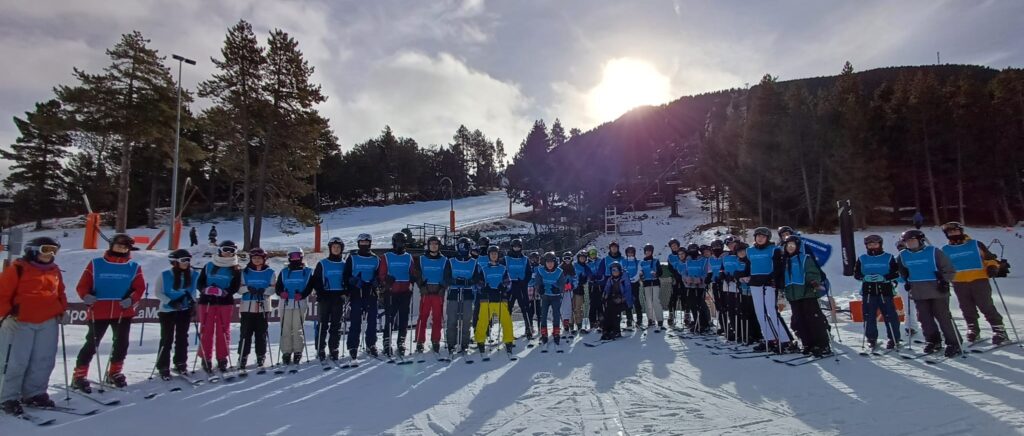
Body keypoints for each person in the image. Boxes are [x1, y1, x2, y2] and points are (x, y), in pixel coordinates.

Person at [0, 237, 66, 415]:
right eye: (46, 249)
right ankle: (7, 397)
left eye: (53, 250)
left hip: (47, 320)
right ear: (33, 250)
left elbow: (60, 292)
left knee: (43, 359)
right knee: (16, 361)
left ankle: (34, 393)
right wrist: (6, 315)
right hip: (20, 321)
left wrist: (62, 309)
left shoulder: (54, 270)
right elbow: (2, 294)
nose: (50, 254)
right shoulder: (18, 269)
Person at [73, 233, 146, 392]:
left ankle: (114, 372)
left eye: (125, 247)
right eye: (119, 245)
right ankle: (79, 375)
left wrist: (131, 299)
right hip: (99, 310)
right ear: (111, 245)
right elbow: (83, 285)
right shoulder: (96, 264)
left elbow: (140, 287)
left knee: (121, 343)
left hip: (122, 310)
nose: (122, 248)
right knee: (92, 343)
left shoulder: (133, 266)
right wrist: (86, 295)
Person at [940, 222, 1009, 344]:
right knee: (966, 307)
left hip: (979, 279)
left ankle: (999, 330)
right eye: (950, 232)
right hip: (959, 282)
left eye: (955, 231)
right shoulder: (945, 249)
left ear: (961, 231)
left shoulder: (975, 244)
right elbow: (943, 266)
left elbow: (989, 258)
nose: (953, 233)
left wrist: (992, 266)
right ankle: (973, 329)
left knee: (985, 305)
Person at [897, 229, 960, 357]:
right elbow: (902, 270)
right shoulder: (903, 255)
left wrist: (944, 280)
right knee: (924, 318)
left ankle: (953, 343)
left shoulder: (934, 252)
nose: (910, 244)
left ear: (920, 240)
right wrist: (906, 280)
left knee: (943, 317)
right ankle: (933, 340)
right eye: (907, 241)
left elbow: (949, 269)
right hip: (918, 290)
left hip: (936, 289)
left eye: (913, 241)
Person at [780, 235, 832, 356]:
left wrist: (813, 281)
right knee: (800, 320)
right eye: (788, 245)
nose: (790, 247)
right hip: (793, 295)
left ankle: (822, 345)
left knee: (814, 320)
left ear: (797, 247)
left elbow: (812, 271)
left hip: (807, 293)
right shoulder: (784, 262)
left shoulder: (805, 258)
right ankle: (807, 343)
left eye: (793, 245)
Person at [747, 227, 795, 353]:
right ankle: (770, 339)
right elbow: (747, 266)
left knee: (771, 311)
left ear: (767, 238)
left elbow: (779, 267)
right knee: (759, 312)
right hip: (755, 283)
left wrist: (773, 279)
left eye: (763, 237)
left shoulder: (774, 249)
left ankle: (785, 340)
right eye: (758, 236)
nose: (760, 238)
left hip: (769, 284)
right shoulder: (750, 250)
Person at [197, 240, 241, 375]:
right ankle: (206, 357)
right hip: (207, 301)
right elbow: (200, 283)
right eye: (225, 249)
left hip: (224, 302)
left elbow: (235, 286)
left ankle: (222, 358)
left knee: (223, 330)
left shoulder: (235, 268)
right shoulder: (209, 265)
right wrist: (205, 289)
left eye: (231, 250)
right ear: (220, 250)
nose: (228, 252)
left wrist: (225, 292)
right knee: (206, 329)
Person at [153, 249, 199, 380]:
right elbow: (158, 292)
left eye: (188, 260)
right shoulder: (165, 275)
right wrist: (170, 302)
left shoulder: (193, 274)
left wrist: (192, 303)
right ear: (175, 261)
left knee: (182, 337)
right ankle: (163, 365)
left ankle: (180, 362)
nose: (186, 262)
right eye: (183, 260)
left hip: (184, 310)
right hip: (167, 310)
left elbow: (193, 291)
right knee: (166, 338)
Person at [379, 232, 419, 359]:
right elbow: (381, 274)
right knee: (390, 318)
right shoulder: (387, 256)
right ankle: (387, 342)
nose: (400, 244)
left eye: (402, 242)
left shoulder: (408, 257)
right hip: (391, 292)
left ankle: (401, 341)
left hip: (405, 292)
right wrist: (386, 279)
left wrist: (413, 278)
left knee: (403, 318)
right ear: (394, 242)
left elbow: (412, 271)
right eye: (398, 242)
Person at [307, 237, 346, 363]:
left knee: (336, 325)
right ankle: (320, 348)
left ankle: (334, 348)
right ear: (330, 248)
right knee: (322, 324)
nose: (336, 249)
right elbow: (316, 280)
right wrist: (321, 292)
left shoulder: (344, 264)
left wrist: (346, 291)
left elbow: (347, 280)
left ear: (341, 249)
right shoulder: (323, 263)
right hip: (325, 297)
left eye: (338, 247)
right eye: (334, 247)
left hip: (338, 297)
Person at [344, 233, 382, 361]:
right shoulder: (352, 258)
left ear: (370, 243)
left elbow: (380, 274)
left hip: (370, 292)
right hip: (357, 292)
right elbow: (346, 275)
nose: (364, 244)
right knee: (355, 321)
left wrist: (377, 281)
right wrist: (352, 281)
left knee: (372, 321)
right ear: (358, 243)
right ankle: (353, 346)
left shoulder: (375, 259)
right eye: (362, 242)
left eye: (366, 242)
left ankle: (371, 344)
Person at [239, 248, 275, 372]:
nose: (256, 260)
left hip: (263, 306)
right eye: (254, 258)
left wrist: (264, 291)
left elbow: (273, 289)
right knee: (245, 333)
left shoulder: (270, 272)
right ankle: (243, 356)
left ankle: (261, 355)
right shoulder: (245, 272)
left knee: (261, 333)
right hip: (247, 306)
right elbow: (239, 289)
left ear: (264, 259)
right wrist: (248, 289)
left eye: (259, 258)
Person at [276, 247, 312, 366]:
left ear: (301, 257)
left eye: (297, 256)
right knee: (286, 328)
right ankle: (286, 351)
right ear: (289, 258)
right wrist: (281, 293)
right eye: (292, 256)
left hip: (299, 302)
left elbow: (309, 286)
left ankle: (298, 351)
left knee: (297, 327)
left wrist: (302, 295)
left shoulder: (307, 271)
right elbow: (278, 286)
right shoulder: (284, 271)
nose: (295, 258)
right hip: (286, 302)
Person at [475, 246, 514, 355]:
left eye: (495, 254)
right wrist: (483, 288)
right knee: (483, 321)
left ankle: (508, 341)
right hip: (487, 299)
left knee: (506, 321)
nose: (493, 255)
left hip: (500, 298)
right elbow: (479, 283)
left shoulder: (503, 268)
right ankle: (480, 341)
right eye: (491, 254)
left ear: (498, 255)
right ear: (489, 255)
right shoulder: (484, 269)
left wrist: (504, 287)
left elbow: (508, 282)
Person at [445, 238, 479, 356]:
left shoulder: (474, 262)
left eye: (465, 246)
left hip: (467, 293)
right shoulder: (451, 261)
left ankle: (464, 343)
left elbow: (476, 278)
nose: (463, 249)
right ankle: (451, 343)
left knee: (466, 320)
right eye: (461, 246)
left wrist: (468, 282)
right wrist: (455, 281)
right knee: (452, 319)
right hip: (454, 293)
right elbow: (446, 277)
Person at [416, 236, 448, 354]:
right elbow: (417, 274)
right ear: (428, 245)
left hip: (438, 292)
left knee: (437, 317)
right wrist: (421, 286)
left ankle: (436, 340)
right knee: (423, 316)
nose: (434, 246)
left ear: (439, 246)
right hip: (426, 291)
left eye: (436, 244)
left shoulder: (444, 260)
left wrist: (443, 287)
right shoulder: (421, 259)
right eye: (431, 244)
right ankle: (420, 341)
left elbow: (447, 275)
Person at [532, 252, 568, 347]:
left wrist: (558, 289)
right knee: (543, 314)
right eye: (548, 262)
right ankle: (544, 333)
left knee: (556, 314)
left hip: (555, 296)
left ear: (554, 262)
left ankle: (556, 332)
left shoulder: (559, 271)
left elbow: (562, 284)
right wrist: (539, 288)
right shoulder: (540, 270)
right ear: (545, 263)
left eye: (551, 262)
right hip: (545, 296)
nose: (550, 264)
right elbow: (537, 282)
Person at [733, 242, 763, 345]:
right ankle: (747, 334)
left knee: (753, 312)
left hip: (753, 290)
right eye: (739, 251)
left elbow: (753, 272)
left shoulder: (751, 261)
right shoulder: (738, 262)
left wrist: (744, 276)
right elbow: (735, 273)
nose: (741, 253)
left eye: (743, 251)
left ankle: (757, 334)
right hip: (742, 290)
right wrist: (738, 277)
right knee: (744, 312)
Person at [504, 239, 534, 340]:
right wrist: (506, 283)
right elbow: (503, 271)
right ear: (511, 247)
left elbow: (529, 272)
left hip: (521, 285)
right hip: (510, 286)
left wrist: (524, 281)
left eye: (518, 247)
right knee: (508, 308)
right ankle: (507, 331)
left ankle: (528, 329)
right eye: (515, 246)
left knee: (525, 307)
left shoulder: (525, 259)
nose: (516, 248)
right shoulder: (506, 259)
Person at [600, 262, 634, 340]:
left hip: (625, 301)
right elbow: (607, 288)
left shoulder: (624, 278)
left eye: (616, 270)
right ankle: (607, 330)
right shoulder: (611, 279)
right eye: (613, 270)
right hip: (615, 299)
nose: (614, 272)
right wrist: (604, 295)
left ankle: (616, 331)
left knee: (615, 311)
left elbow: (628, 291)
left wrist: (622, 299)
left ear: (619, 270)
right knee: (607, 310)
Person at [683, 243, 712, 334]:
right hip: (690, 286)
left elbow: (707, 272)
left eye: (694, 250)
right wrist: (686, 278)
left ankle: (704, 323)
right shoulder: (688, 260)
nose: (692, 252)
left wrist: (700, 279)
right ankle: (697, 321)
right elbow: (684, 272)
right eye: (690, 250)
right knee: (692, 305)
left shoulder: (704, 260)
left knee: (700, 304)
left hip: (700, 286)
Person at [721, 238, 742, 341]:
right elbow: (722, 268)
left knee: (739, 309)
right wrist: (722, 275)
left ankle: (741, 330)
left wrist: (736, 276)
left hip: (739, 285)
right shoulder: (726, 256)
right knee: (731, 309)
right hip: (728, 285)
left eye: (733, 243)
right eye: (729, 244)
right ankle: (734, 329)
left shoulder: (741, 253)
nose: (731, 246)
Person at [639, 243, 664, 329]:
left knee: (655, 301)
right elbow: (641, 272)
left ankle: (660, 319)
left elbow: (660, 272)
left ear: (652, 252)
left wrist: (656, 274)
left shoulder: (656, 261)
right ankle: (650, 319)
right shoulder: (642, 262)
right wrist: (641, 275)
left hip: (655, 282)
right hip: (646, 283)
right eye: (646, 251)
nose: (648, 252)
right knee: (648, 302)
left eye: (649, 251)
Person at [666, 239, 687, 328]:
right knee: (673, 297)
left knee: (684, 296)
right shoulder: (670, 257)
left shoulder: (682, 253)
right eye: (672, 246)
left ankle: (686, 314)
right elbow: (670, 267)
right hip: (675, 278)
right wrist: (675, 274)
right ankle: (671, 314)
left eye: (675, 245)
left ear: (678, 245)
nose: (674, 247)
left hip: (684, 278)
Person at [621, 245, 644, 329]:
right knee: (628, 302)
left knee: (636, 301)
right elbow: (622, 271)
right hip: (626, 284)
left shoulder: (638, 262)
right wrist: (627, 280)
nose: (630, 254)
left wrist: (634, 279)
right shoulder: (623, 261)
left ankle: (639, 319)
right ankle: (629, 319)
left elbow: (639, 271)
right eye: (628, 252)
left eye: (632, 252)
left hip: (635, 284)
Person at [705, 243, 725, 334]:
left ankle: (729, 324)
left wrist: (723, 276)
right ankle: (722, 325)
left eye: (718, 247)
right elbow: (710, 271)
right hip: (715, 283)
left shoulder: (725, 256)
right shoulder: (710, 259)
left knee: (725, 304)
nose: (716, 249)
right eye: (714, 247)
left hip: (724, 283)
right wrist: (708, 278)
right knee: (718, 305)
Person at [572, 251, 592, 333]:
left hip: (580, 289)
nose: (582, 259)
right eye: (581, 257)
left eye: (584, 257)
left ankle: (579, 324)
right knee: (571, 307)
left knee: (578, 307)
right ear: (578, 258)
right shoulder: (574, 265)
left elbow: (590, 276)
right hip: (571, 288)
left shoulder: (586, 267)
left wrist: (585, 279)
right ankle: (571, 325)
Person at [585, 247, 604, 333]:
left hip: (600, 285)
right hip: (592, 286)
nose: (593, 255)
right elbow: (587, 272)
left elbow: (602, 270)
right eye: (591, 253)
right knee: (593, 304)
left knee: (600, 304)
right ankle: (593, 323)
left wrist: (598, 277)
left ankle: (601, 323)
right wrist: (591, 277)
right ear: (589, 254)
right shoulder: (587, 264)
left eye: (594, 253)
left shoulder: (600, 261)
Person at [559, 252, 576, 334]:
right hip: (562, 291)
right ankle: (564, 324)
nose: (567, 260)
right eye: (565, 258)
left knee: (569, 307)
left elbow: (575, 278)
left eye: (569, 258)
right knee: (562, 308)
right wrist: (562, 285)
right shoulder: (560, 268)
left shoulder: (573, 268)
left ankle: (568, 324)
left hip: (569, 290)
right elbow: (557, 279)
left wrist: (573, 285)